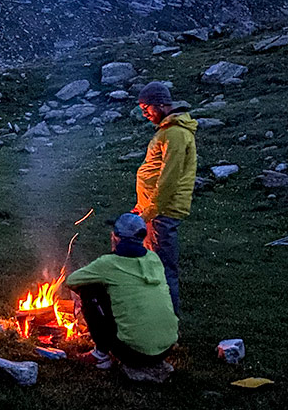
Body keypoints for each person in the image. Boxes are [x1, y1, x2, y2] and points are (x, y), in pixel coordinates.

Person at [66, 214, 178, 376]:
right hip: (165, 348)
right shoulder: (153, 258)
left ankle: (101, 356)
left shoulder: (109, 263)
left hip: (133, 353)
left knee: (89, 289)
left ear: (116, 237)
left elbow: (72, 280)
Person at [132, 81, 197, 315]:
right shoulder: (168, 131)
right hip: (153, 209)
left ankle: (169, 324)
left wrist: (149, 212)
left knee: (162, 268)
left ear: (160, 104)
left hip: (162, 213)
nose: (145, 114)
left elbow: (168, 178)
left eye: (147, 108)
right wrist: (141, 207)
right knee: (151, 264)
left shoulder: (176, 134)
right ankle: (154, 314)